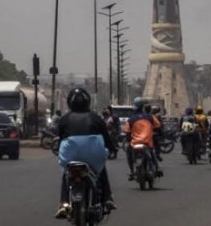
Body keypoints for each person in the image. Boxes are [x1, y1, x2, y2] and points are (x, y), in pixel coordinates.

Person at [54, 87, 117, 219]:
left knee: (67, 174)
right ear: (87, 101)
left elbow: (60, 139)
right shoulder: (96, 118)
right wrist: (113, 149)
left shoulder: (64, 119)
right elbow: (106, 138)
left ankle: (63, 203)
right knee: (101, 171)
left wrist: (58, 150)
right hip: (93, 155)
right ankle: (107, 199)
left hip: (70, 154)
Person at [124, 98, 162, 182]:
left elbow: (127, 132)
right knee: (152, 152)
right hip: (147, 142)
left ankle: (131, 171)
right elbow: (158, 126)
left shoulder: (131, 119)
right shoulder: (150, 117)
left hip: (135, 143)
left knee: (129, 153)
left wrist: (129, 139)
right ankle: (158, 168)